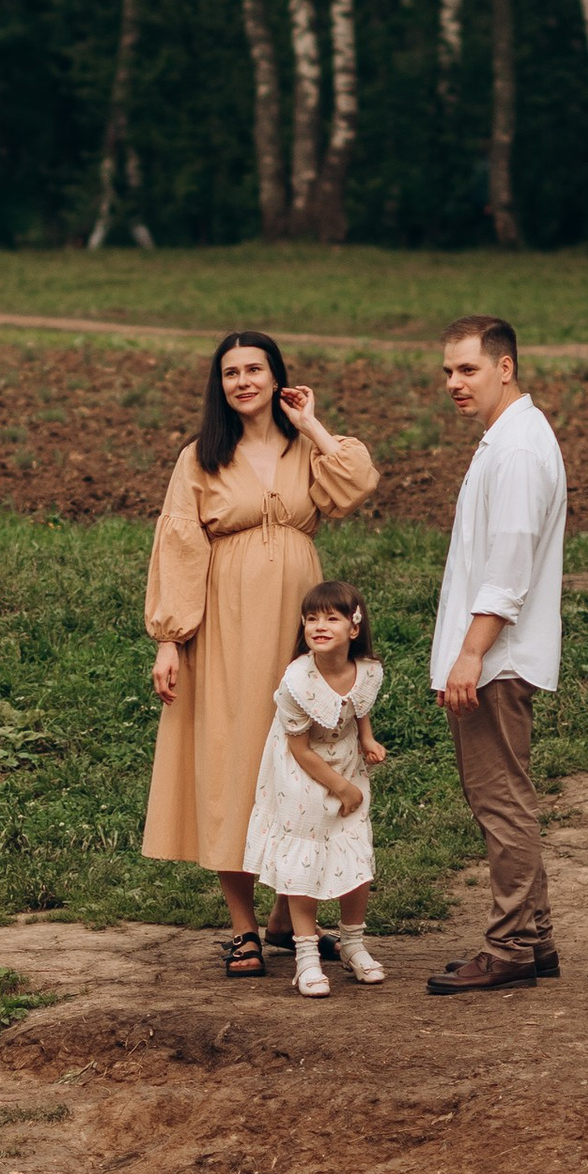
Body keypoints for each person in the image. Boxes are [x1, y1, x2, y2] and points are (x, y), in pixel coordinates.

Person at [142, 330, 380, 977]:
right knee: (236, 760)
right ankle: (244, 926)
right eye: (230, 373)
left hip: (300, 626)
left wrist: (313, 423)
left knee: (303, 758)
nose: (243, 381)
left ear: (278, 378)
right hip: (227, 629)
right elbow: (181, 545)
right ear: (218, 387)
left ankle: (288, 915)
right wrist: (169, 639)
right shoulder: (202, 457)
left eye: (255, 369)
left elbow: (357, 484)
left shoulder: (306, 446)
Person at [425, 313, 567, 995]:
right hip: (498, 653)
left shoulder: (515, 451)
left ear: (504, 367)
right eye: (448, 371)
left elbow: (508, 570)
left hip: (497, 658)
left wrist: (469, 656)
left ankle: (509, 946)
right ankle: (534, 939)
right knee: (507, 796)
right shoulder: (509, 438)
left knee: (501, 803)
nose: (455, 383)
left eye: (468, 369)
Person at [241, 578, 389, 998]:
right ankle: (306, 954)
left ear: (353, 629)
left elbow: (358, 706)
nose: (319, 625)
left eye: (331, 618)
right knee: (304, 857)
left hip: (345, 760)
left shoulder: (368, 671)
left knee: (354, 849)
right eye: (311, 619)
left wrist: (366, 738)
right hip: (300, 773)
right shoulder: (296, 682)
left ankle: (353, 942)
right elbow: (300, 750)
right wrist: (343, 789)